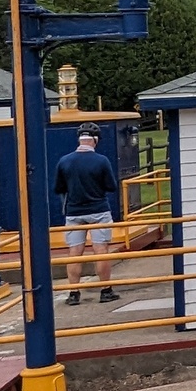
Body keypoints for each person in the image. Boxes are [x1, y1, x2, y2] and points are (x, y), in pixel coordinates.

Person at [52, 126, 119, 303]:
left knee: (74, 252)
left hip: (74, 212)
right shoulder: (101, 160)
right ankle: (106, 290)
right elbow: (111, 186)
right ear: (95, 140)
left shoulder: (64, 161)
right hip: (99, 210)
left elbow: (58, 188)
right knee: (101, 251)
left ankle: (73, 293)